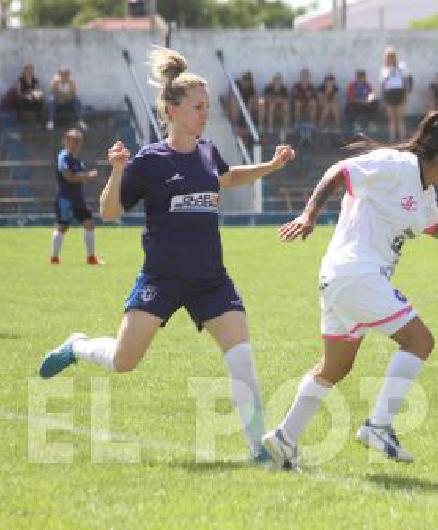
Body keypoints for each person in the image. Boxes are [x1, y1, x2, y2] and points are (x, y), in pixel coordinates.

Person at [38, 47, 296, 464]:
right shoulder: (149, 161)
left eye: (207, 107)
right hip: (162, 277)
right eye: (197, 107)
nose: (204, 114)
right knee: (124, 361)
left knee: (242, 357)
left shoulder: (209, 152)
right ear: (172, 111)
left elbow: (229, 178)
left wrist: (270, 165)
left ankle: (257, 451)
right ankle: (78, 345)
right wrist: (118, 171)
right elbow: (109, 212)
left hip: (211, 279)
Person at [261, 111, 438, 470]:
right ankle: (379, 425)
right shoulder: (398, 166)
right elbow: (340, 171)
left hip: (342, 279)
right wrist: (309, 214)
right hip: (356, 273)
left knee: (335, 366)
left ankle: (284, 438)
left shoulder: (424, 190)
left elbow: (435, 224)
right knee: (420, 341)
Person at [50, 128, 102, 265]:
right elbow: (69, 177)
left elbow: (79, 177)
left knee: (89, 223)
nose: (76, 144)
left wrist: (88, 177)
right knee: (62, 226)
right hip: (64, 199)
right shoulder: (63, 157)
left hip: (77, 198)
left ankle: (91, 258)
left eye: (79, 141)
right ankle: (54, 258)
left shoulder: (77, 160)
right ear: (66, 141)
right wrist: (87, 176)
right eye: (73, 140)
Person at [380, 47, 410, 141]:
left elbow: (405, 82)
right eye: (389, 57)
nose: (391, 58)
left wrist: (405, 95)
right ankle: (392, 140)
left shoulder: (401, 67)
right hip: (389, 94)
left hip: (399, 92)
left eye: (392, 56)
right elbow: (383, 85)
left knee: (400, 118)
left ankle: (402, 139)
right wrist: (383, 99)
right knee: (392, 119)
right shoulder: (384, 69)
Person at [47, 67, 87, 131]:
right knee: (51, 101)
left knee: (77, 101)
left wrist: (66, 98)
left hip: (68, 99)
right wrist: (60, 98)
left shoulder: (72, 81)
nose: (65, 76)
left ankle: (79, 120)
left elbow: (73, 93)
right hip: (58, 99)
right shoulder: (55, 81)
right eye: (63, 74)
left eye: (66, 74)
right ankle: (50, 121)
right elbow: (53, 92)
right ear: (59, 75)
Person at [261, 73, 290, 138]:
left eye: (278, 80)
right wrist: (275, 100)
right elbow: (265, 98)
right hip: (270, 105)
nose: (277, 81)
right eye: (276, 80)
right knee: (270, 105)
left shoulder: (284, 89)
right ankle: (270, 126)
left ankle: (286, 126)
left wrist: (277, 100)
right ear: (273, 80)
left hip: (281, 106)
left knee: (286, 106)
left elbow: (286, 100)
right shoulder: (268, 88)